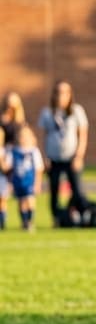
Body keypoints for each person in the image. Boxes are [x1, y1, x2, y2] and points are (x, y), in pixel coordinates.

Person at [38, 80, 90, 222]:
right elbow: (43, 135)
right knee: (54, 190)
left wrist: (79, 156)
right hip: (53, 157)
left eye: (65, 92)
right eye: (59, 92)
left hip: (71, 156)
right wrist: (44, 156)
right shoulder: (47, 112)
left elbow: (83, 135)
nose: (62, 96)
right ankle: (57, 218)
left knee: (77, 189)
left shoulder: (76, 110)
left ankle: (81, 214)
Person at [2, 125, 43, 231]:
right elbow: (7, 167)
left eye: (26, 136)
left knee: (30, 200)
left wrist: (37, 183)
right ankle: (24, 222)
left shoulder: (33, 151)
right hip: (18, 181)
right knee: (21, 202)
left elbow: (39, 169)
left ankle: (30, 221)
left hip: (29, 181)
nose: (23, 139)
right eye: (21, 136)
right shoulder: (14, 151)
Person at [0, 92, 28, 230]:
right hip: (3, 156)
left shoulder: (21, 122)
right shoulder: (1, 121)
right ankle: (2, 221)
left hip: (18, 158)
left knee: (21, 191)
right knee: (3, 192)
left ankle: (25, 221)